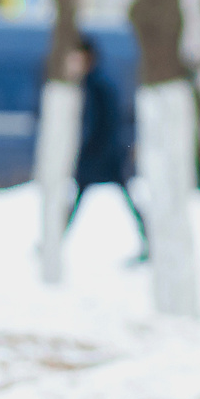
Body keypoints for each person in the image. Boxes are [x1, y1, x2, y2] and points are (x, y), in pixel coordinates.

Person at [67, 36, 146, 258]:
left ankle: (56, 239)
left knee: (81, 195)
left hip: (103, 154)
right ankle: (148, 239)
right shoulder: (94, 82)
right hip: (106, 153)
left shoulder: (96, 84)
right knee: (83, 196)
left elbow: (102, 122)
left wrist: (88, 149)